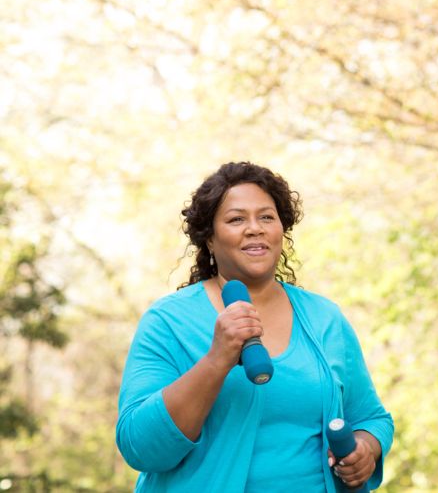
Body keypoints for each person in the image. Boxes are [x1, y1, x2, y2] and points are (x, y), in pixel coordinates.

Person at [116, 162, 394, 492]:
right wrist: (216, 361)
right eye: (236, 219)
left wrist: (366, 449)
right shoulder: (168, 322)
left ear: (281, 230)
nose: (255, 228)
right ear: (209, 239)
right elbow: (140, 446)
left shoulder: (324, 318)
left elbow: (371, 419)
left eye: (266, 217)